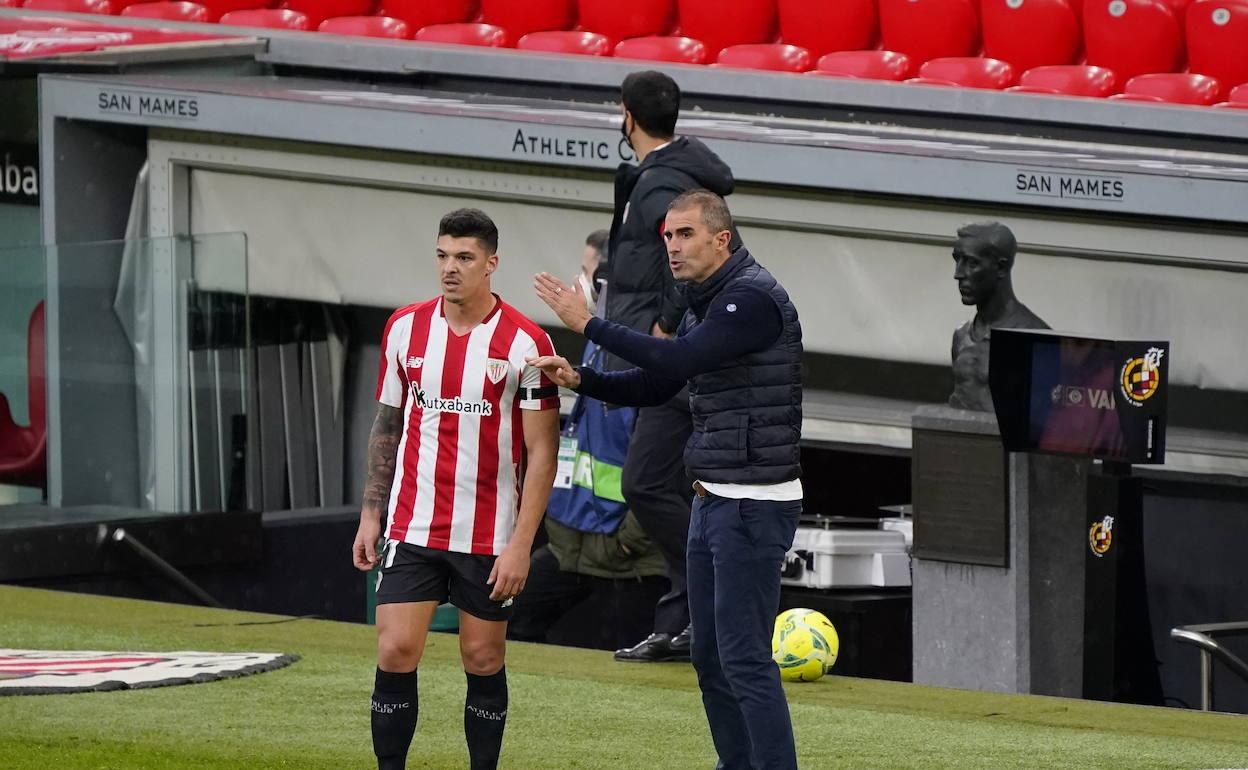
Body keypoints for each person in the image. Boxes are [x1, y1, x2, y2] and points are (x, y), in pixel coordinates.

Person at [529, 190, 804, 770]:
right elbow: (660, 385)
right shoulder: (705, 300)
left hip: (753, 504)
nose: (673, 248)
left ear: (721, 239)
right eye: (668, 237)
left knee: (745, 658)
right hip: (712, 499)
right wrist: (583, 378)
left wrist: (590, 325)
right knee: (708, 655)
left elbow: (675, 361)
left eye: (685, 235)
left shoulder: (750, 299)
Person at [352, 208, 560, 770]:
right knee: (396, 649)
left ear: (492, 264)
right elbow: (388, 424)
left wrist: (521, 543)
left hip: (489, 531)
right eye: (443, 255)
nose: (450, 268)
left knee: (483, 657)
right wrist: (372, 512)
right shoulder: (404, 329)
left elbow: (543, 451)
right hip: (411, 523)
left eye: (464, 257)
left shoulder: (526, 342)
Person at [605, 70, 736, 663]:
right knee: (669, 484)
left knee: (648, 482)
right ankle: (685, 623)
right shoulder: (669, 175)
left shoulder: (660, 185)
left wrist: (662, 323)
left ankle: (706, 607)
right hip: (680, 357)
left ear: (626, 115)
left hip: (674, 361)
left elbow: (686, 265)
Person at [510, 230, 668, 646]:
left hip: (629, 555)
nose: (577, 284)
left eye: (586, 273)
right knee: (514, 617)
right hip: (574, 545)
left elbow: (663, 459)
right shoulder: (598, 347)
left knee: (634, 666)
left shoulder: (644, 351)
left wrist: (632, 541)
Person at [948, 221, 1049, 412]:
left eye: (972, 263)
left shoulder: (1036, 338)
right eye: (957, 260)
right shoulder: (961, 336)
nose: (958, 274)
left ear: (1001, 268)